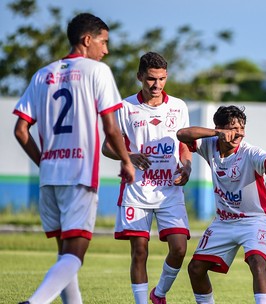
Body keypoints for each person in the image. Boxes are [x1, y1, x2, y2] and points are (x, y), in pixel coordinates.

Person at [12, 13, 135, 304]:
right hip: (79, 175)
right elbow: (111, 127)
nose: (106, 50)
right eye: (104, 42)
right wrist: (127, 161)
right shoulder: (97, 71)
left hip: (49, 177)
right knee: (74, 255)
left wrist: (44, 163)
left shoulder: (42, 74)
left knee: (65, 255)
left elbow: (20, 130)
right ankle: (34, 303)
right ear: (87, 40)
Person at [176, 105, 266, 304]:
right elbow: (182, 134)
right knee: (195, 269)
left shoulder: (250, 153)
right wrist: (216, 133)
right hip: (224, 221)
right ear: (220, 129)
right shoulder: (210, 145)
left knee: (257, 262)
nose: (239, 133)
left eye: (242, 128)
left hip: (256, 219)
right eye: (233, 128)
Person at [102, 51, 192, 304]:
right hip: (137, 190)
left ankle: (159, 293)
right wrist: (129, 156)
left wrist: (187, 168)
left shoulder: (178, 106)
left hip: (169, 191)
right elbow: (106, 147)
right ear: (140, 76)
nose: (157, 85)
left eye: (162, 79)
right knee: (139, 251)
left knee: (179, 248)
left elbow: (184, 145)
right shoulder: (125, 107)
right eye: (151, 79)